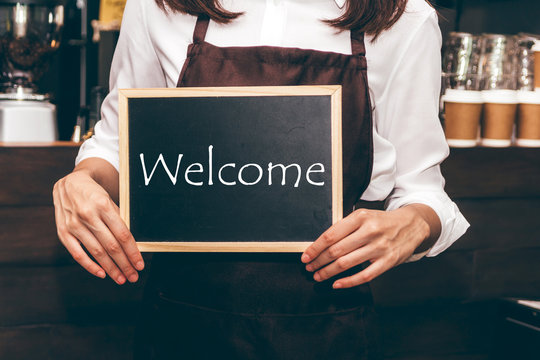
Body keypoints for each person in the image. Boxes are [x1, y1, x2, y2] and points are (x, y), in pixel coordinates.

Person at [52, 0, 470, 358]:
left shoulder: (404, 16)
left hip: (327, 329)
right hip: (180, 323)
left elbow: (422, 191)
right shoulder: (158, 5)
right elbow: (118, 145)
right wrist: (82, 179)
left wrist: (415, 223)